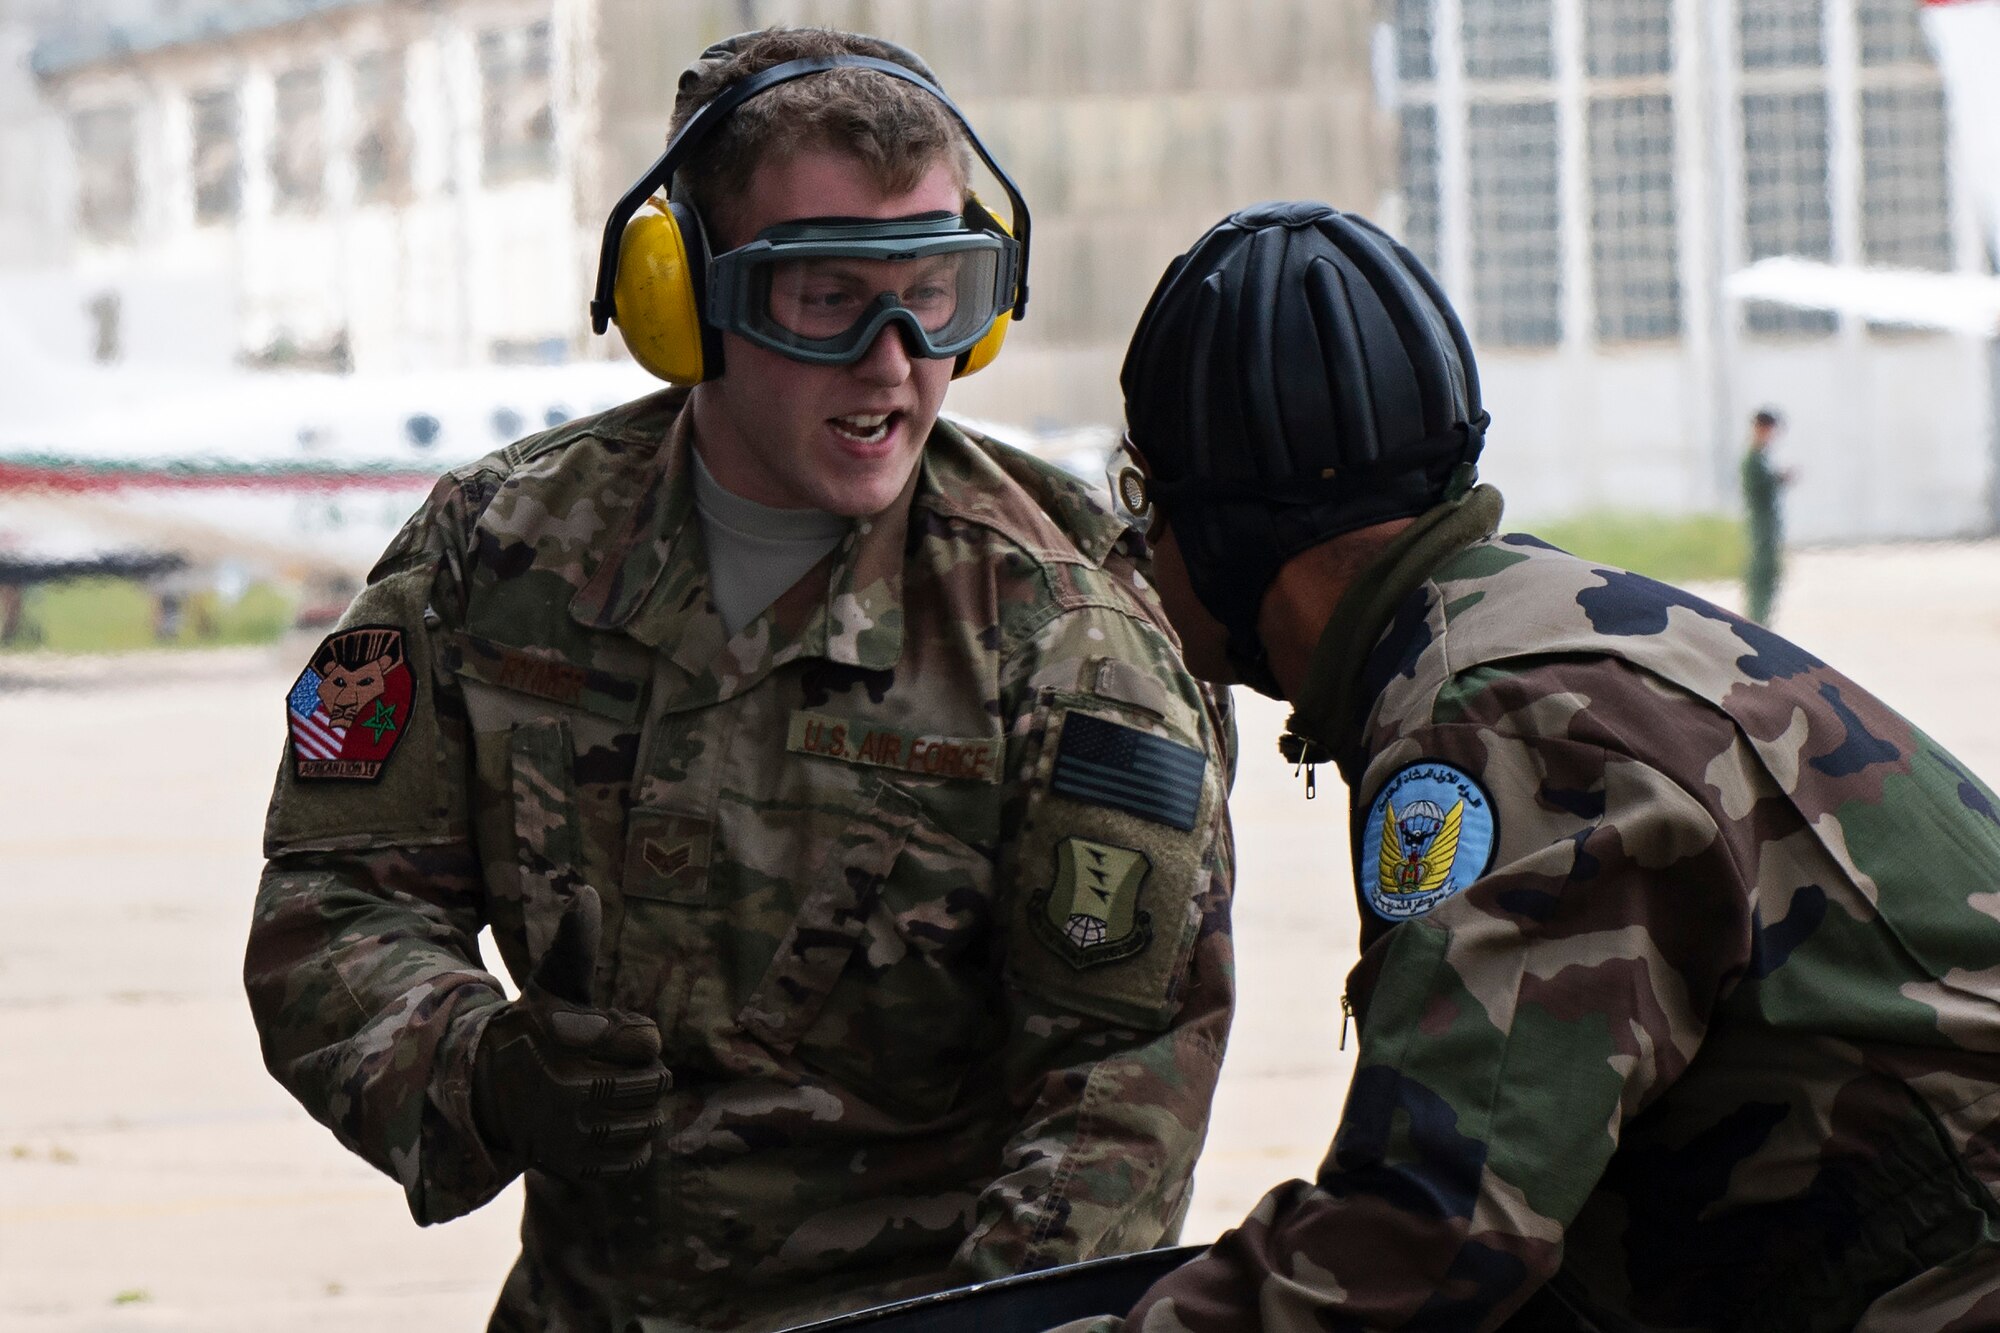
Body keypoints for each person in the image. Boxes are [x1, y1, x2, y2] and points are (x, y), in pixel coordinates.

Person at [245, 28, 1237, 1333]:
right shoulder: (494, 557)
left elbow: (1120, 1075)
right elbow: (333, 893)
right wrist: (476, 1064)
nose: (894, 359)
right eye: (826, 296)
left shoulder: (1065, 636)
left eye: (936, 289)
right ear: (686, 297)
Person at [1079, 202, 2000, 1330]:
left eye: (1145, 507)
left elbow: (1428, 1231)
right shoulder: (1534, 622)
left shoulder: (1495, 723)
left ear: (1220, 531)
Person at [1742, 406, 1794, 625]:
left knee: (1770, 578)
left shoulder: (1761, 458)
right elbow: (1759, 489)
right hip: (1761, 530)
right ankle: (1757, 626)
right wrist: (1778, 479)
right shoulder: (1753, 460)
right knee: (1762, 579)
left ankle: (1761, 625)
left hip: (1768, 530)